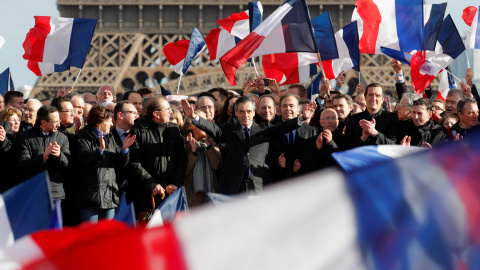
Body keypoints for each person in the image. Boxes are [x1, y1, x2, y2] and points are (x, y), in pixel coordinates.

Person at [181, 96, 316, 194]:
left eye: (249, 111)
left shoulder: (265, 130)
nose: (245, 115)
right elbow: (213, 128)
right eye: (241, 111)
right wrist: (194, 117)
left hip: (259, 185)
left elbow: (284, 127)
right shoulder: (228, 130)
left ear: (254, 112)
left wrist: (303, 118)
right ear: (236, 113)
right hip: (235, 187)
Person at [130, 96, 187, 220]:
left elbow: (181, 159)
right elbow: (135, 162)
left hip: (172, 193)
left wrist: (175, 183)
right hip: (147, 195)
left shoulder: (174, 129)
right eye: (167, 109)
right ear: (156, 114)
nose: (170, 112)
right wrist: (152, 184)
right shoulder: (138, 131)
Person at [76, 106, 135, 222]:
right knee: (91, 236)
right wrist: (100, 151)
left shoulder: (111, 137)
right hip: (89, 198)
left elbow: (119, 165)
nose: (111, 125)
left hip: (109, 196)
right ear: (99, 123)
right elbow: (85, 164)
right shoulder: (83, 139)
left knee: (106, 237)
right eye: (109, 121)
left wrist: (124, 150)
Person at [16, 105, 70, 200]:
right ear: (43, 122)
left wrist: (59, 156)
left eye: (59, 121)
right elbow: (23, 164)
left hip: (55, 194)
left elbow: (68, 164)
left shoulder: (62, 138)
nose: (59, 125)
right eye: (55, 122)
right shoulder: (25, 137)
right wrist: (43, 157)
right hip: (33, 192)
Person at [269, 94, 317, 182]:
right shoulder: (272, 129)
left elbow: (313, 156)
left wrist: (301, 164)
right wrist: (279, 164)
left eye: (291, 106)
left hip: (302, 181)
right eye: (284, 106)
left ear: (298, 109)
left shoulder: (310, 131)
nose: (288, 109)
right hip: (278, 182)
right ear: (279, 109)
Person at [182, 110, 222, 208]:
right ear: (191, 126)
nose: (205, 126)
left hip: (211, 197)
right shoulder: (183, 144)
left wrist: (209, 146)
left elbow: (217, 165)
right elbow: (183, 171)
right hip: (191, 199)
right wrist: (193, 152)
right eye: (201, 123)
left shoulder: (212, 142)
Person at [345, 83, 399, 149]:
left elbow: (395, 145)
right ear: (365, 97)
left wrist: (375, 134)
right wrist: (363, 138)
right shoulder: (353, 119)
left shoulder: (392, 118)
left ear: (382, 99)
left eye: (377, 96)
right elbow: (347, 148)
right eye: (370, 95)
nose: (373, 98)